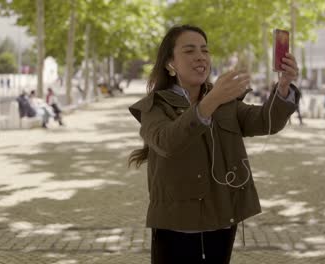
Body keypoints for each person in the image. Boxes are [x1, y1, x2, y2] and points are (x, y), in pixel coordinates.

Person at [128, 25, 300, 264]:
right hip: (176, 225)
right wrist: (210, 102)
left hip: (222, 219)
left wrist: (283, 88)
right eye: (189, 50)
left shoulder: (225, 101)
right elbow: (166, 141)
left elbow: (266, 121)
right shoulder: (155, 106)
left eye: (205, 50)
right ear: (170, 63)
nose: (200, 56)